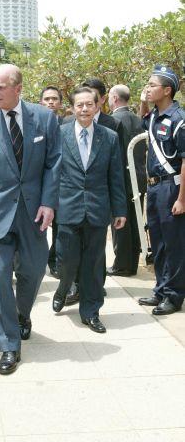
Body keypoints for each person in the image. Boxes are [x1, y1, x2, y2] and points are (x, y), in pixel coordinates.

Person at [0, 64, 61, 375]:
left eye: (0, 87)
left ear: (18, 88)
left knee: (34, 270)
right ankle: (9, 345)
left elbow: (53, 164)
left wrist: (49, 201)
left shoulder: (45, 118)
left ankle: (22, 313)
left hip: (35, 211)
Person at [52, 87, 127, 333]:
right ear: (72, 108)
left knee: (94, 265)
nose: (84, 109)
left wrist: (120, 210)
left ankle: (91, 311)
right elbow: (50, 173)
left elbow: (115, 176)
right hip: (67, 208)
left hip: (97, 209)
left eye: (89, 104)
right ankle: (64, 288)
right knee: (66, 260)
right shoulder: (59, 134)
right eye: (79, 105)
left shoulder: (109, 137)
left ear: (97, 107)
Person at [138, 66, 185, 315]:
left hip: (171, 186)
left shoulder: (179, 118)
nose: (148, 87)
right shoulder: (155, 115)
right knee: (157, 241)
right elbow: (142, 122)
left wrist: (182, 198)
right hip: (154, 187)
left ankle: (174, 295)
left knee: (174, 243)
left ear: (167, 90)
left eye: (152, 84)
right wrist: (143, 101)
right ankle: (161, 289)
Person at [107, 84, 147, 276]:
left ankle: (122, 264)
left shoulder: (114, 121)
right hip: (139, 179)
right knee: (135, 219)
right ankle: (132, 262)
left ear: (114, 98)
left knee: (120, 223)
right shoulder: (138, 119)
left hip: (121, 180)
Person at [40, 85, 64, 278]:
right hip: (39, 185)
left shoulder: (67, 124)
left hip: (63, 185)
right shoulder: (35, 123)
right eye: (47, 98)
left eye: (54, 98)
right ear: (41, 102)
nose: (50, 102)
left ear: (60, 103)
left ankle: (54, 260)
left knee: (59, 227)